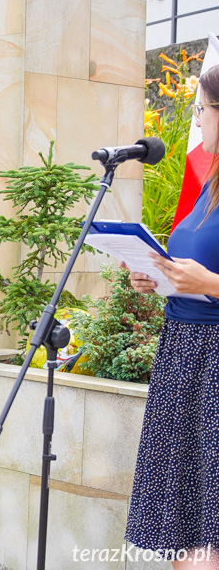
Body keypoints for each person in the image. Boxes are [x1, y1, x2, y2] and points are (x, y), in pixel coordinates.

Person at [124, 64, 219, 570]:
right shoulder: (211, 182)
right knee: (184, 524)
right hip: (182, 354)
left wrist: (208, 284)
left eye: (202, 110)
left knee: (212, 524)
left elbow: (210, 276)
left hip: (215, 361)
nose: (197, 122)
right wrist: (155, 276)